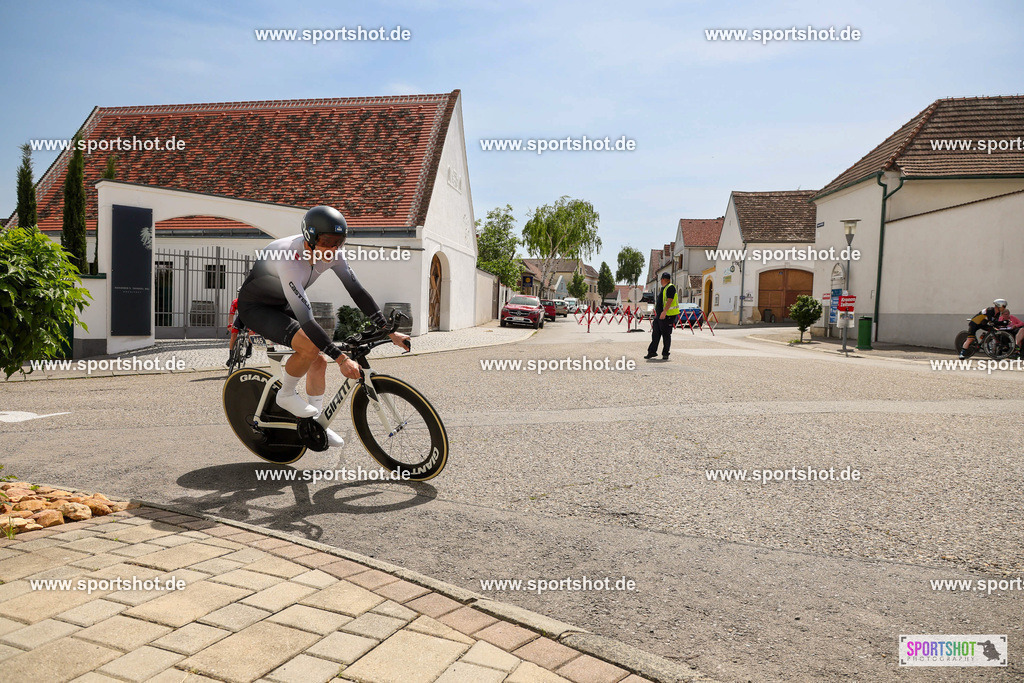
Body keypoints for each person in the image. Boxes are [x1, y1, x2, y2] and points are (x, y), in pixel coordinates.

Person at [235, 205, 410, 447]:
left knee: (317, 359)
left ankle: (317, 423)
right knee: (310, 348)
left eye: (339, 242)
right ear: (310, 237)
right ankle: (286, 394)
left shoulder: (334, 254)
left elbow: (357, 292)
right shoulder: (289, 258)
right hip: (256, 307)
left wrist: (389, 331)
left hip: (282, 302)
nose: (333, 249)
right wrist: (341, 359)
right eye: (327, 241)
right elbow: (306, 319)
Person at [645, 272, 678, 360]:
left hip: (667, 316)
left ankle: (665, 353)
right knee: (655, 334)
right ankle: (652, 352)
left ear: (663, 279)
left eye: (661, 279)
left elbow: (670, 300)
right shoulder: (664, 288)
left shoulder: (670, 287)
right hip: (660, 315)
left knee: (666, 335)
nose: (660, 281)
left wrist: (664, 312)